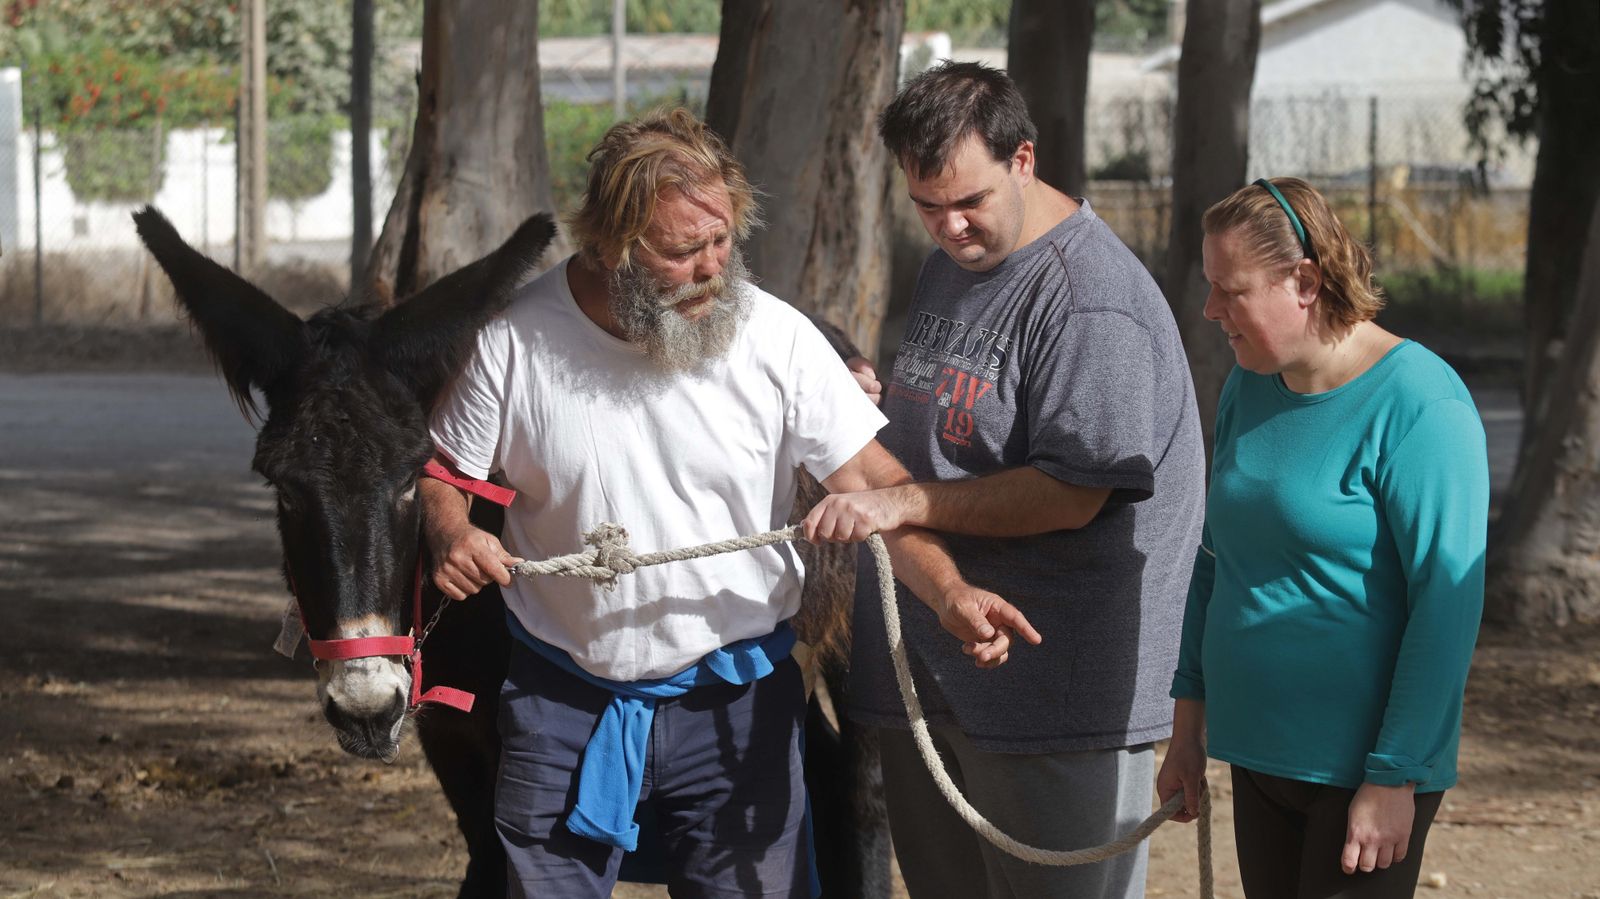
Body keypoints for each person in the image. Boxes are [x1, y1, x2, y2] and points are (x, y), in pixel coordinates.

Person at [419, 108, 1038, 899]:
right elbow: (445, 474)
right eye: (683, 251)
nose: (715, 268)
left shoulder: (776, 340)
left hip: (737, 705)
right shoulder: (514, 343)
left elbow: (879, 487)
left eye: (723, 241)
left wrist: (950, 593)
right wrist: (448, 530)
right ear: (609, 247)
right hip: (560, 700)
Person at [806, 62, 1207, 899]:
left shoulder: (1090, 301)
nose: (949, 227)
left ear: (1024, 159)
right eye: (926, 205)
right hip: (937, 670)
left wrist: (904, 499)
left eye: (969, 201)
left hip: (1055, 698)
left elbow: (1072, 489)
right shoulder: (956, 260)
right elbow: (957, 424)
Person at [1155, 177, 1488, 899]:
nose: (1211, 310)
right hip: (1258, 754)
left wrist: (1393, 772)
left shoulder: (1422, 403)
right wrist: (1187, 730)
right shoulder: (1250, 382)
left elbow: (1446, 606)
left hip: (1362, 769)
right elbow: (1215, 561)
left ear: (1303, 281)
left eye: (1229, 290)